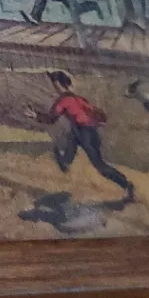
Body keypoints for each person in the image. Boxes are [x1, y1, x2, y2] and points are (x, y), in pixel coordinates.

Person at [25, 70, 136, 202]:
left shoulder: (64, 100)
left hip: (84, 133)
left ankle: (65, 161)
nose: (57, 89)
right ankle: (126, 184)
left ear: (63, 85)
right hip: (90, 132)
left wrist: (36, 115)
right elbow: (97, 113)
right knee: (95, 161)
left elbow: (52, 118)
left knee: (98, 165)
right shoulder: (79, 99)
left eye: (57, 86)